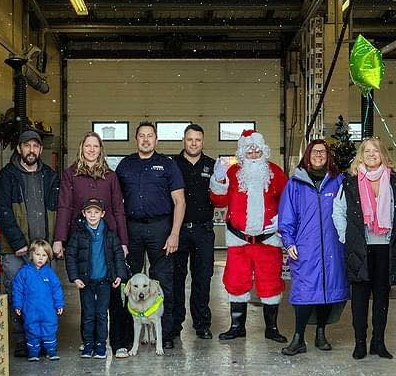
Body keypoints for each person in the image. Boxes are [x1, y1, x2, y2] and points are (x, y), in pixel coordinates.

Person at [52, 132, 130, 357]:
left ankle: (116, 342)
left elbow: (118, 209)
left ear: (101, 149)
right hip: (82, 238)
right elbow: (64, 206)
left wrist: (123, 241)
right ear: (81, 147)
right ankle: (89, 340)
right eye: (88, 145)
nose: (92, 149)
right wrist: (60, 238)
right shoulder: (71, 175)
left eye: (96, 146)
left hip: (108, 240)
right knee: (86, 295)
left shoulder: (110, 176)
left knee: (113, 293)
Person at [209, 129, 288, 344]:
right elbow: (218, 201)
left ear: (263, 150)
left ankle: (271, 328)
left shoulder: (275, 172)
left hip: (268, 241)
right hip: (239, 241)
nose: (253, 154)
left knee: (270, 283)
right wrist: (218, 179)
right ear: (242, 152)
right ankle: (237, 327)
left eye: (256, 150)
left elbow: (289, 200)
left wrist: (282, 220)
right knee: (236, 282)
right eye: (249, 150)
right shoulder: (233, 173)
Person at [332, 137, 396, 360]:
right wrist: (347, 238)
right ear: (360, 156)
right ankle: (360, 343)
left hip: (386, 248)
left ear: (383, 154)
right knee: (360, 299)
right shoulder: (350, 182)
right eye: (367, 151)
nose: (372, 154)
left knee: (382, 298)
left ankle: (378, 343)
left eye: (376, 151)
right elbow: (338, 211)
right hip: (360, 248)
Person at [116, 122, 186, 351]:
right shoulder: (125, 166)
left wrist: (174, 233)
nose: (146, 140)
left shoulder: (167, 165)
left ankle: (165, 334)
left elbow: (179, 201)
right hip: (132, 228)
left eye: (150, 136)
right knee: (128, 282)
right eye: (142, 136)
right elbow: (116, 204)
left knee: (163, 281)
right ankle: (127, 336)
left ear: (156, 140)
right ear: (135, 139)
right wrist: (121, 237)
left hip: (161, 228)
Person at [278, 139, 348, 356]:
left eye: (323, 152)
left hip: (333, 246)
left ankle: (321, 333)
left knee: (328, 290)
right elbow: (286, 216)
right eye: (314, 152)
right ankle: (298, 338)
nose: (319, 155)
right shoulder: (295, 184)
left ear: (329, 156)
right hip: (305, 247)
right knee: (304, 292)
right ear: (307, 155)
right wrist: (288, 242)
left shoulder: (339, 182)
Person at [0, 130, 59, 357]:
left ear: (40, 150)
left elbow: (58, 210)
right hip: (15, 249)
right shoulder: (6, 176)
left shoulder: (50, 176)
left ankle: (43, 340)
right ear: (19, 148)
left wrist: (56, 242)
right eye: (27, 146)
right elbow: (3, 211)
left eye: (35, 146)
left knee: (43, 297)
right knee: (19, 295)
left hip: (43, 250)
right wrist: (18, 241)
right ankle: (23, 341)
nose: (31, 150)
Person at [64, 198, 129, 359]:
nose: (93, 216)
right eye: (89, 212)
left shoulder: (110, 235)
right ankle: (88, 344)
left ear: (102, 214)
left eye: (96, 212)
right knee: (88, 313)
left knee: (101, 314)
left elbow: (118, 256)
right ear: (84, 214)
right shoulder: (78, 235)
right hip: (86, 281)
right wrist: (74, 277)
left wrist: (119, 275)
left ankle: (100, 344)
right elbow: (70, 256)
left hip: (105, 281)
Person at [172, 124, 216, 340]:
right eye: (190, 139)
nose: (194, 143)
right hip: (178, 231)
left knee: (202, 279)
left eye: (198, 140)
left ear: (203, 141)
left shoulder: (212, 165)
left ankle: (202, 324)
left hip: (203, 231)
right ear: (184, 140)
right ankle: (174, 326)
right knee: (176, 279)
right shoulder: (172, 164)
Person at [11, 239, 64, 361]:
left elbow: (57, 289)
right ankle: (33, 353)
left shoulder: (49, 273)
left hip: (48, 310)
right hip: (30, 309)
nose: (40, 258)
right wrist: (18, 305)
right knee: (31, 329)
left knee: (50, 329)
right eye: (37, 254)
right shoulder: (24, 272)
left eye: (44, 255)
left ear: (48, 258)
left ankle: (51, 351)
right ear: (31, 255)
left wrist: (59, 304)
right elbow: (17, 289)